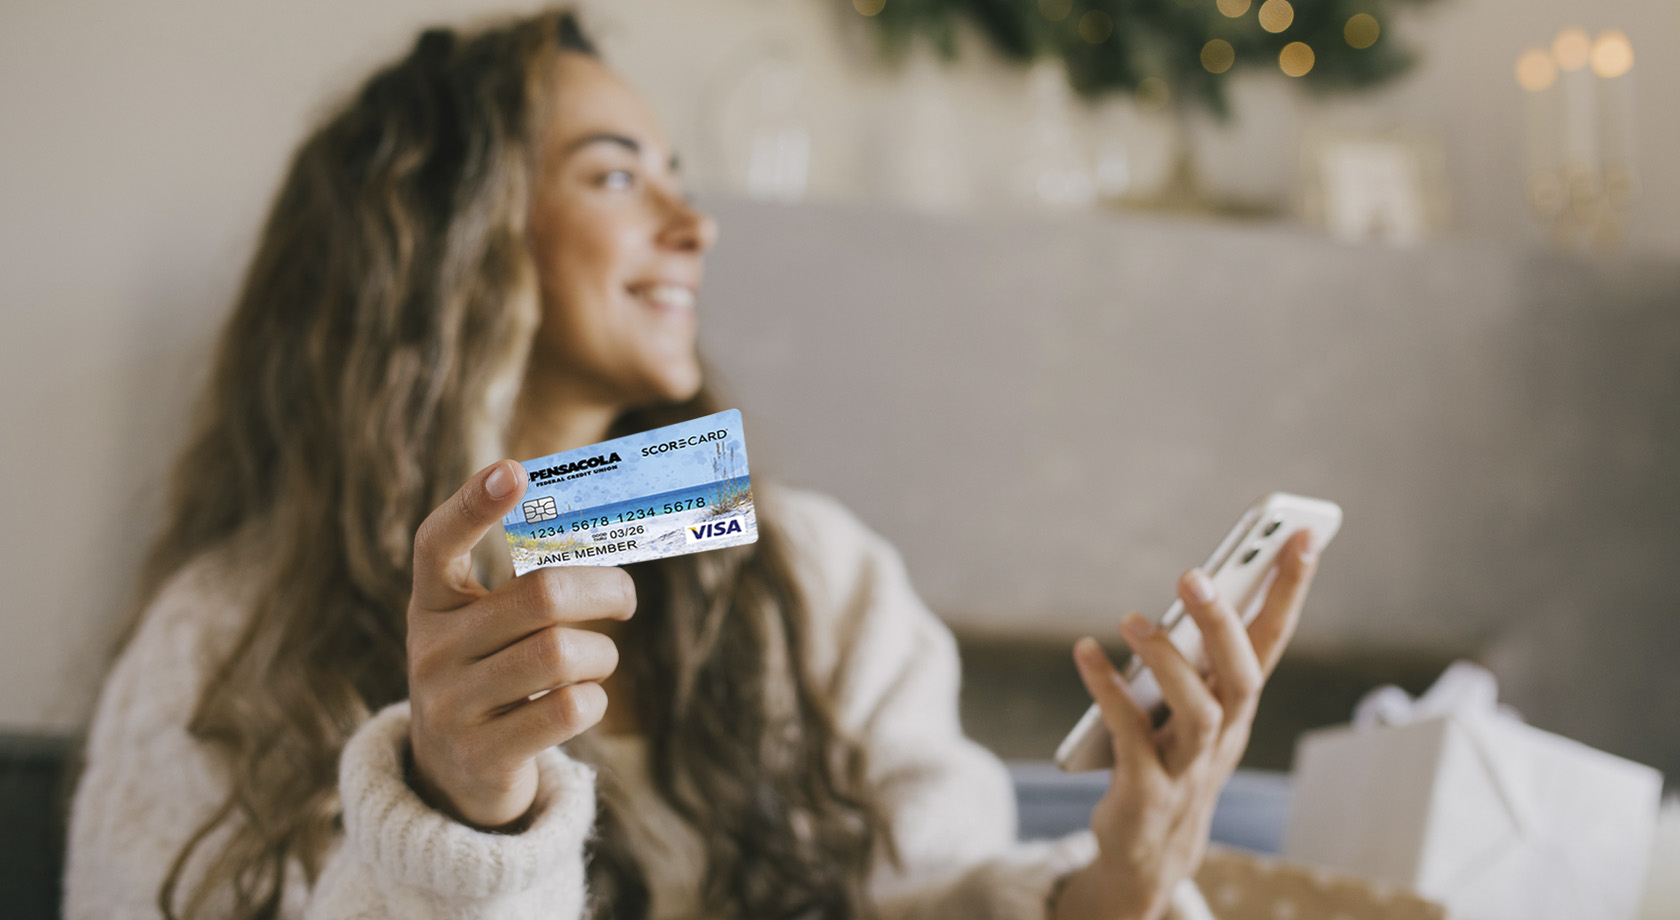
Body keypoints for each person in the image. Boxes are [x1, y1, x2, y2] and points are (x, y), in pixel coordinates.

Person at [64, 9, 1320, 920]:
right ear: (449, 242)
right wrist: (453, 808)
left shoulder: (816, 578)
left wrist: (1128, 874)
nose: (694, 222)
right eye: (616, 174)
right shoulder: (225, 642)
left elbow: (930, 898)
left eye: (682, 174)